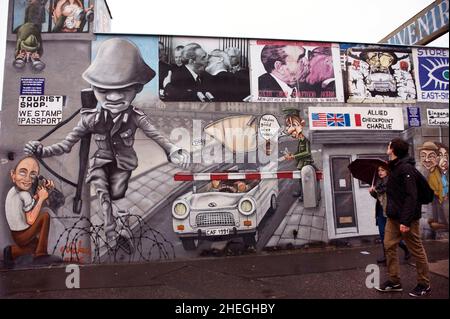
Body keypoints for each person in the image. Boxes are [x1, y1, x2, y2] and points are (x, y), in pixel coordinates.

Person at [24, 38, 189, 241]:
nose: (113, 97)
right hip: (100, 163)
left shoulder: (136, 117)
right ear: (93, 89)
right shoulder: (90, 119)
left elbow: (155, 134)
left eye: (123, 90)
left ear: (137, 88)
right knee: (103, 196)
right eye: (103, 90)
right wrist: (41, 151)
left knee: (116, 196)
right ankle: (111, 231)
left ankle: (120, 219)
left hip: (124, 167)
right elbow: (66, 145)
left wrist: (173, 150)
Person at [376, 138, 431, 297]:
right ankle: (394, 281)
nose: (387, 147)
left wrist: (405, 221)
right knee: (388, 245)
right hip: (393, 217)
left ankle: (424, 284)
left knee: (416, 250)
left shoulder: (405, 168)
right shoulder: (393, 168)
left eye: (388, 145)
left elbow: (411, 196)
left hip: (407, 218)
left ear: (392, 149)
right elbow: (395, 193)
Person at [3, 156, 54, 268]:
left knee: (34, 247)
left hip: (16, 234)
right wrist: (41, 199)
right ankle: (41, 254)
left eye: (32, 174)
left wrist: (40, 194)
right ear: (13, 175)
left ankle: (11, 252)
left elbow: (29, 204)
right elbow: (31, 220)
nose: (27, 179)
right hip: (23, 234)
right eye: (22, 172)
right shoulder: (24, 194)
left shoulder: (14, 191)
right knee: (45, 216)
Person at [369, 164, 410, 264]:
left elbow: (391, 196)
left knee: (392, 236)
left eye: (382, 170)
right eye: (379, 170)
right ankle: (386, 256)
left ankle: (406, 249)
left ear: (387, 171)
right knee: (383, 235)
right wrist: (373, 192)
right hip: (380, 211)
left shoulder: (391, 182)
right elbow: (379, 198)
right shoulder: (379, 183)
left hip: (389, 212)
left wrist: (379, 191)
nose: (380, 172)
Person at [283, 109, 314, 201]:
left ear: (302, 124)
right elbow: (299, 152)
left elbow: (307, 152)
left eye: (294, 125)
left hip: (306, 163)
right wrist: (291, 155)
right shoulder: (300, 140)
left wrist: (294, 156)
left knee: (305, 180)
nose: (291, 129)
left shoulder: (305, 140)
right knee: (301, 179)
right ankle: (301, 192)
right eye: (289, 126)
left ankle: (305, 195)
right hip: (302, 163)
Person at [419, 141, 447, 233]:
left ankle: (441, 221)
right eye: (423, 156)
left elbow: (441, 184)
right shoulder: (429, 172)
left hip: (440, 194)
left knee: (440, 205)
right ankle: (437, 220)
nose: (426, 160)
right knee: (435, 205)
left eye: (431, 156)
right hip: (434, 194)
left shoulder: (440, 172)